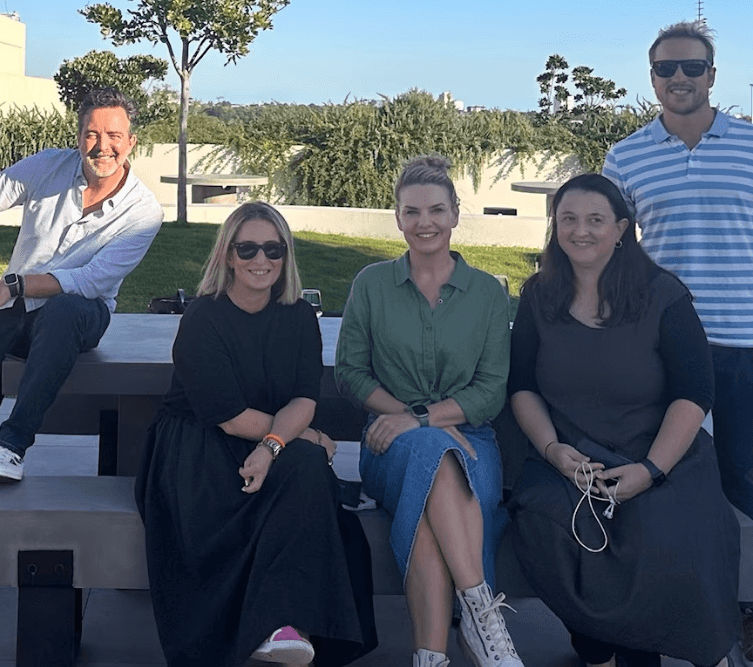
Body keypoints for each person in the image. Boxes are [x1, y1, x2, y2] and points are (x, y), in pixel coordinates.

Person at [508, 173, 739, 667]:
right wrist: (553, 450)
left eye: (595, 219)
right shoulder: (538, 296)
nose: (580, 231)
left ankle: (642, 655)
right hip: (567, 459)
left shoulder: (664, 296)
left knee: (657, 536)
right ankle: (595, 649)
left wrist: (651, 470)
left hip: (658, 454)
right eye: (568, 219)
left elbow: (695, 392)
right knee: (549, 529)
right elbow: (521, 385)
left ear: (621, 229)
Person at [135, 201, 377, 667]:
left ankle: (289, 627)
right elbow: (227, 417)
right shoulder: (203, 318)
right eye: (247, 249)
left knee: (308, 470)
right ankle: (275, 625)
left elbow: (304, 400)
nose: (260, 259)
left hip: (267, 443)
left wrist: (275, 445)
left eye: (273, 248)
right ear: (228, 255)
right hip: (199, 453)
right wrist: (298, 437)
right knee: (305, 466)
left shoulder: (299, 316)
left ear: (286, 255)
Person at [602, 20, 753, 657]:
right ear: (652, 77)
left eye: (692, 67)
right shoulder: (625, 157)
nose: (680, 78)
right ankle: (674, 625)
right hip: (663, 351)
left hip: (746, 347)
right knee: (670, 490)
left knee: (744, 484)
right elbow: (607, 252)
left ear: (713, 75)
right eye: (667, 68)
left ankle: (739, 622)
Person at [335, 155, 521, 667]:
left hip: (472, 444)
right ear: (397, 217)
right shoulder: (371, 284)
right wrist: (406, 419)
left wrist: (422, 422)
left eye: (437, 210)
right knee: (431, 454)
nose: (425, 222)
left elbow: (491, 391)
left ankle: (429, 657)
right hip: (388, 442)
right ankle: (482, 613)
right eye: (412, 211)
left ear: (455, 213)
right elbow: (349, 372)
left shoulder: (487, 293)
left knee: (423, 514)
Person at [0, 87, 162, 484]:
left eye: (114, 136)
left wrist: (10, 286)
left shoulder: (144, 211)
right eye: (92, 134)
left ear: (131, 142)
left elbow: (89, 280)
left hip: (81, 314)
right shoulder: (48, 166)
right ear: (78, 137)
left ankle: (11, 446)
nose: (103, 146)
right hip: (13, 307)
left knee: (65, 308)